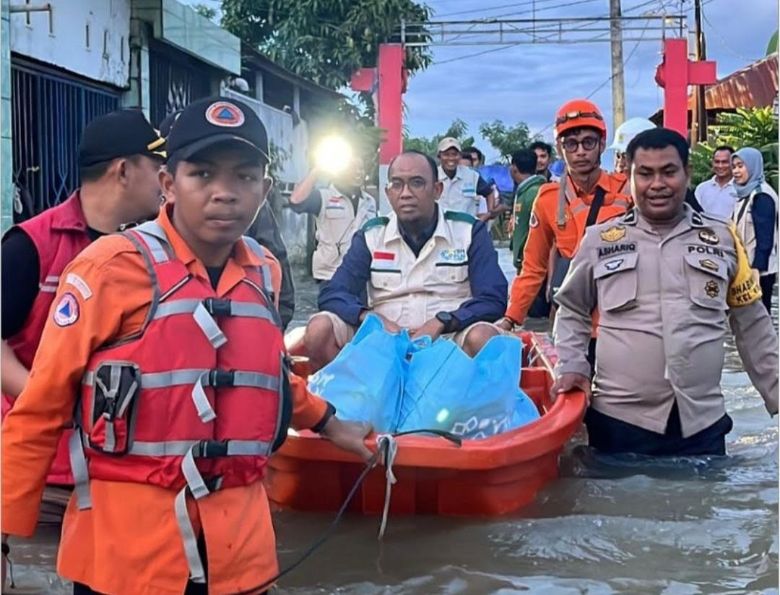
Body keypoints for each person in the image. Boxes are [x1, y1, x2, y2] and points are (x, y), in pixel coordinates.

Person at [1, 96, 372, 594]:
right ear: (168, 184)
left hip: (240, 554)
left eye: (243, 177)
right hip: (128, 558)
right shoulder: (107, 268)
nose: (225, 193)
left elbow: (264, 376)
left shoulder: (266, 272)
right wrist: (4, 530)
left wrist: (332, 425)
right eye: (202, 175)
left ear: (264, 190)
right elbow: (39, 408)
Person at [552, 128, 778, 456]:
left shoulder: (724, 240)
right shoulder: (600, 240)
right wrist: (573, 365)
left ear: (686, 174)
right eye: (645, 174)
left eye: (668, 172)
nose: (657, 184)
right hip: (619, 424)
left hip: (702, 425)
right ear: (630, 178)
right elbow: (571, 309)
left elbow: (753, 326)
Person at [1, 110, 166, 489]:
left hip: (129, 466)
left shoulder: (155, 251)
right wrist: (53, 402)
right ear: (123, 171)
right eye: (157, 165)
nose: (165, 178)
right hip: (44, 471)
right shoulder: (31, 246)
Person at [303, 150, 508, 372]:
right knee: (319, 330)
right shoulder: (371, 235)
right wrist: (371, 318)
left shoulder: (468, 231)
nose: (406, 193)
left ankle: (469, 404)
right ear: (388, 192)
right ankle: (348, 401)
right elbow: (332, 293)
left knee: (485, 338)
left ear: (437, 190)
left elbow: (493, 298)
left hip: (450, 340)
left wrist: (442, 321)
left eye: (417, 183)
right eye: (397, 184)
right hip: (383, 342)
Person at [498, 99, 631, 331]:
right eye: (571, 144)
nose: (580, 152)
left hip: (620, 316)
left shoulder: (626, 191)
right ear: (560, 149)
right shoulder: (548, 199)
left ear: (601, 144)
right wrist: (510, 318)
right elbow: (533, 266)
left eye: (588, 142)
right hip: (572, 317)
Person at [288, 155, 377, 282]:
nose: (358, 172)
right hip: (330, 275)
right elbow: (296, 202)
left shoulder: (370, 202)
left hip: (361, 273)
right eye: (352, 168)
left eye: (361, 168)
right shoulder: (323, 197)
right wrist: (317, 170)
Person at [731, 147, 778, 313]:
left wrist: (757, 269)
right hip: (745, 268)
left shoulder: (761, 195)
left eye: (741, 166)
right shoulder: (745, 194)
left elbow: (765, 238)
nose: (736, 171)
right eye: (734, 166)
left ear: (753, 167)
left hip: (758, 271)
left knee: (758, 319)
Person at [508, 148, 546, 272]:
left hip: (532, 266)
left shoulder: (534, 193)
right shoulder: (524, 192)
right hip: (525, 263)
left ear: (514, 168)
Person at [437, 137, 494, 216]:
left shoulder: (472, 176)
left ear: (460, 156)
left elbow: (489, 193)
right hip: (440, 226)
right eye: (446, 154)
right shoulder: (432, 175)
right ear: (439, 156)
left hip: (466, 226)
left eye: (454, 154)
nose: (451, 158)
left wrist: (489, 214)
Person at [695, 145, 738, 218]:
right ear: (712, 163)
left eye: (724, 162)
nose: (720, 166)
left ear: (733, 163)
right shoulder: (702, 188)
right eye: (717, 162)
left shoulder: (740, 189)